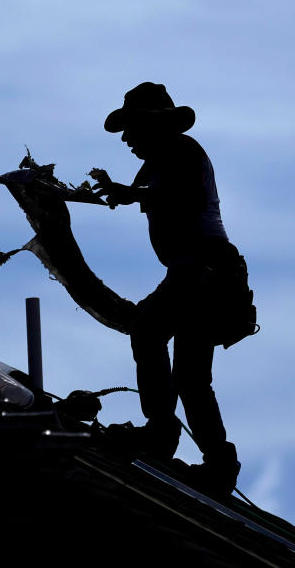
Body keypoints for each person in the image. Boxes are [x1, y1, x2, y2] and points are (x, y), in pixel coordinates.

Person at [93, 82, 245, 496]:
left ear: (152, 124)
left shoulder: (183, 151)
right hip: (205, 271)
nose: (126, 139)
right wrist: (117, 194)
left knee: (148, 331)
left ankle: (162, 434)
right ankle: (217, 462)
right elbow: (148, 193)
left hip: (202, 268)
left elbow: (173, 192)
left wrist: (129, 194)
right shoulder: (159, 163)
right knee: (192, 376)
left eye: (131, 128)